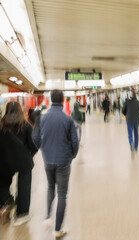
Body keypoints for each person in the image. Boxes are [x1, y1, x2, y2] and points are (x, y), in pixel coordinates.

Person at [33, 89, 79, 239]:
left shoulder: (42, 118)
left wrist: (43, 149)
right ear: (63, 99)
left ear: (51, 100)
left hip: (48, 160)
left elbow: (35, 137)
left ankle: (47, 217)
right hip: (63, 161)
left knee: (51, 187)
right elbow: (75, 141)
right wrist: (72, 155)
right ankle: (58, 230)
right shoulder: (68, 119)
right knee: (62, 194)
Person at [0, 101, 38, 226]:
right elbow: (33, 144)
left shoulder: (1, 125)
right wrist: (29, 154)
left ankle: (5, 204)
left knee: (3, 184)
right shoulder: (25, 125)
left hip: (5, 161)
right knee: (24, 185)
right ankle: (22, 214)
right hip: (23, 161)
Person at [122, 87, 139, 152]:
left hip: (129, 120)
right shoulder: (138, 102)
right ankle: (136, 147)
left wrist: (125, 114)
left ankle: (131, 143)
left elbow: (123, 110)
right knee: (136, 133)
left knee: (130, 134)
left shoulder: (127, 101)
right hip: (137, 120)